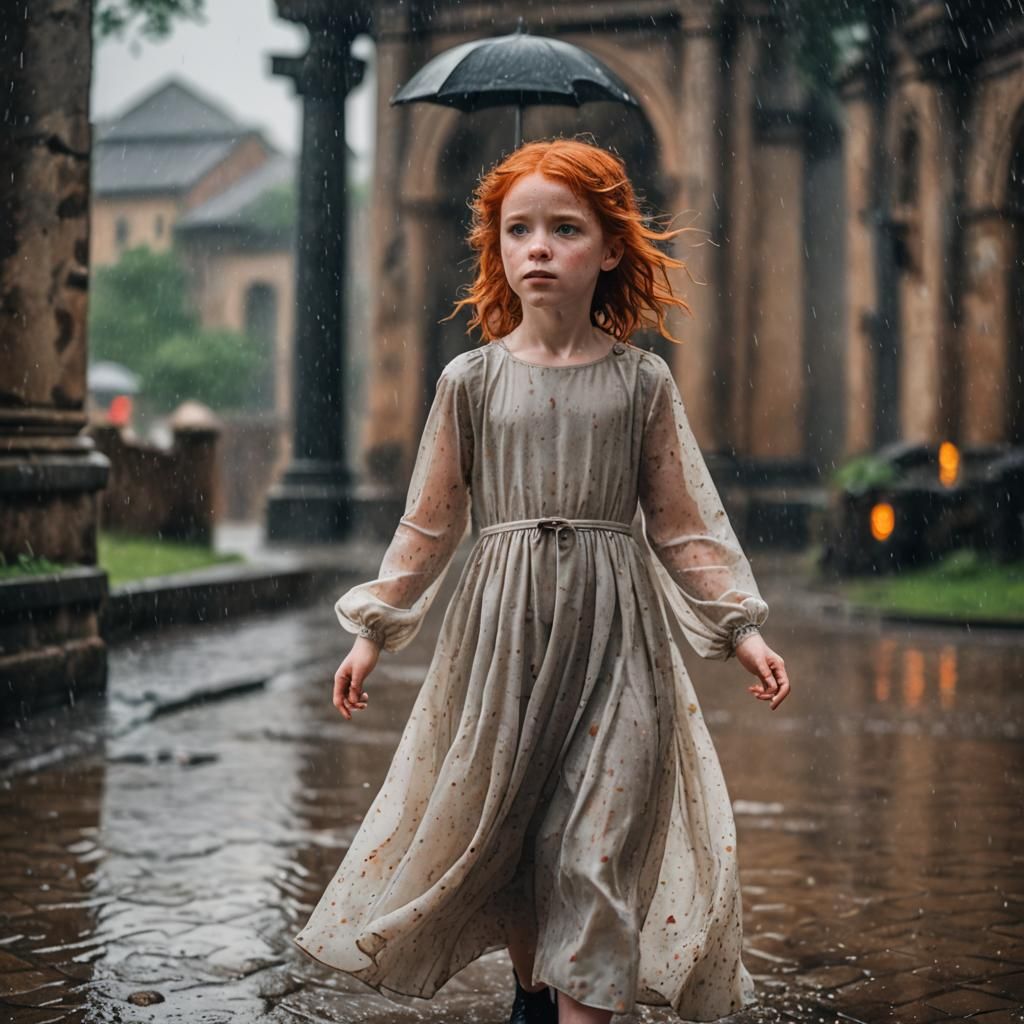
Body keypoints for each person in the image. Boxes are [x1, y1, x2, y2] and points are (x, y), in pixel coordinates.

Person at [293, 137, 791, 1024]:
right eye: (518, 229)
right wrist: (373, 630)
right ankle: (537, 996)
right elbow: (430, 522)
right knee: (515, 836)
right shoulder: (470, 382)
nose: (538, 247)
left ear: (609, 248)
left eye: (564, 228)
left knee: (597, 842)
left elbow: (682, 526)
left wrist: (740, 628)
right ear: (498, 251)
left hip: (617, 634)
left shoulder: (642, 383)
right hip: (503, 638)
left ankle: (579, 1008)